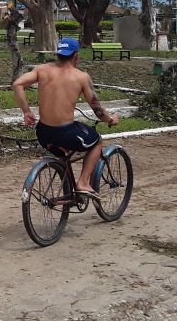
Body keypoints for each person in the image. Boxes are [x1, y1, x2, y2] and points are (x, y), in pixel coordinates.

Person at [12, 37, 119, 199]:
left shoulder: (42, 70)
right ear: (76, 55)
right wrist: (111, 120)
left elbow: (17, 84)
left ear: (58, 54)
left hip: (43, 133)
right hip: (66, 133)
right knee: (96, 141)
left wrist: (26, 112)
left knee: (63, 155)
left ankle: (69, 191)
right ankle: (83, 182)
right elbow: (97, 110)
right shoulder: (81, 77)